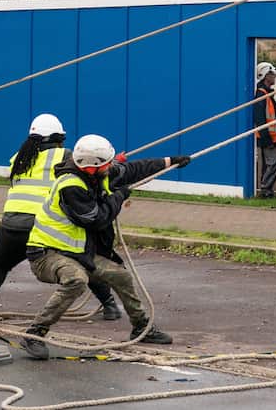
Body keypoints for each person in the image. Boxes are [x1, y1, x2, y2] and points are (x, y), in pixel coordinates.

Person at [21, 134, 191, 360]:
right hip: (46, 255)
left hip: (76, 253)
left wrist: (170, 161)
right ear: (92, 168)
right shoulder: (71, 187)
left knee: (120, 276)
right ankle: (34, 333)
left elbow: (132, 170)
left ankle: (141, 327)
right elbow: (97, 218)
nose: (111, 167)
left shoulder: (98, 173)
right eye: (106, 164)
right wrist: (119, 197)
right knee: (76, 280)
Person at [0, 113, 123, 320]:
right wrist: (112, 165)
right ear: (59, 138)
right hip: (42, 227)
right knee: (81, 259)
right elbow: (88, 173)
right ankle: (109, 305)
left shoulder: (19, 159)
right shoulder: (65, 156)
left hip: (11, 225)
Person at [252, 62, 276, 199]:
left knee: (270, 163)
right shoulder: (261, 95)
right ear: (266, 76)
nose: (275, 76)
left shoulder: (266, 94)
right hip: (267, 138)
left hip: (271, 137)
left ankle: (267, 189)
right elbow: (260, 119)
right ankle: (265, 190)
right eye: (273, 74)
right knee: (273, 162)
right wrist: (267, 139)